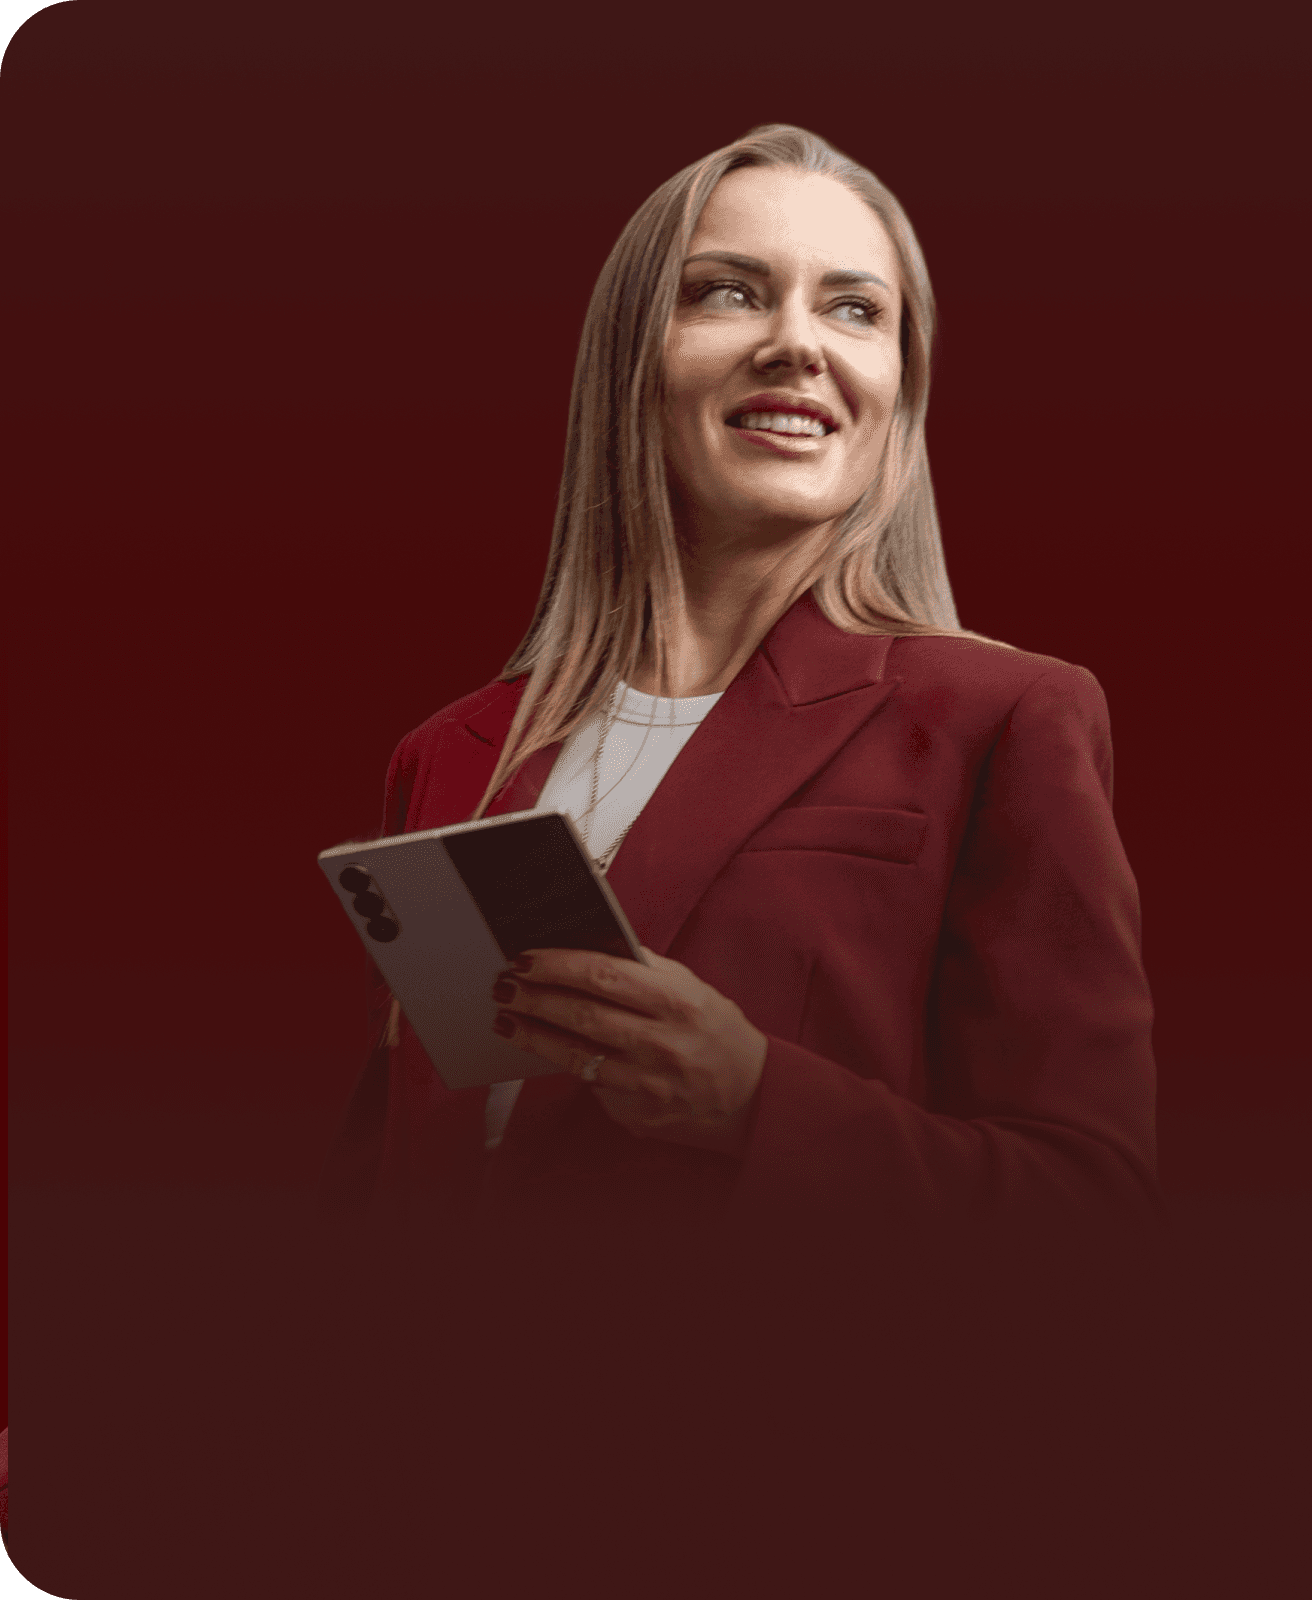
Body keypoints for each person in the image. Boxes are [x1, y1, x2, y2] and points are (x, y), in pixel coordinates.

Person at [317, 125, 1162, 1587]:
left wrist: (757, 1102)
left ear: (900, 388)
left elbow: (1089, 1222)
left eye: (854, 307)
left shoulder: (1005, 715)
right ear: (631, 361)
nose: (797, 345)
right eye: (728, 292)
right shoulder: (453, 755)